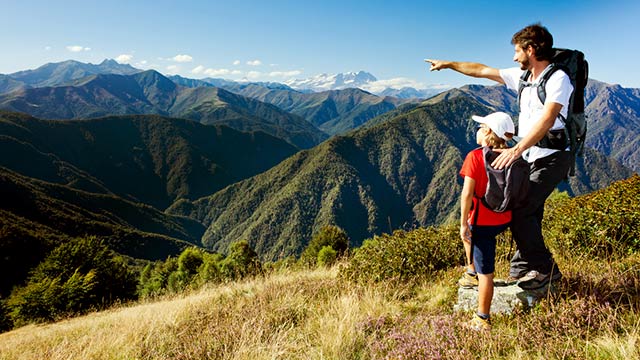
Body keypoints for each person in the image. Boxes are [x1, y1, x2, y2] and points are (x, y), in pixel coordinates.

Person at [426, 23, 571, 290]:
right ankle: (523, 267)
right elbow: (481, 70)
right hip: (530, 155)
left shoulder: (558, 79)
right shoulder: (524, 77)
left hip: (552, 156)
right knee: (527, 209)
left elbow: (549, 118)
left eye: (517, 51)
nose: (515, 58)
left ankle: (547, 270)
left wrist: (516, 149)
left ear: (531, 49)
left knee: (522, 210)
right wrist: (448, 64)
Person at [459, 112, 514, 331]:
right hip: (506, 217)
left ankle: (482, 318)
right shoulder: (512, 154)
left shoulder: (475, 156)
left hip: (482, 221)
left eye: (482, 126)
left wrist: (463, 223)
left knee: (487, 273)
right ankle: (472, 272)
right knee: (470, 236)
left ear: (489, 132)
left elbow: (466, 194)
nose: (478, 130)